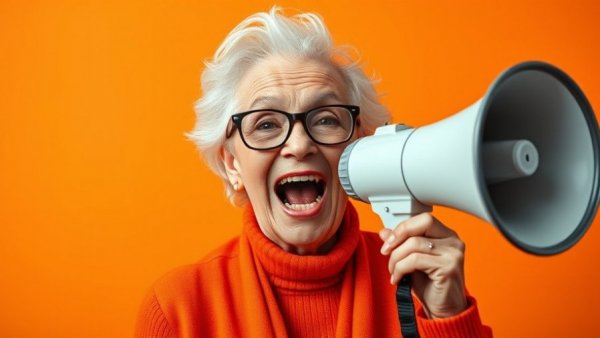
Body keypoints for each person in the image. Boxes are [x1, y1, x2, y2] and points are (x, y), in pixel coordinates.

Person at [136, 7, 492, 338]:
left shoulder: (420, 284)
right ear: (233, 165)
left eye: (325, 119)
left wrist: (448, 318)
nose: (300, 144)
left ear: (361, 146)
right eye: (265, 125)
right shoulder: (178, 309)